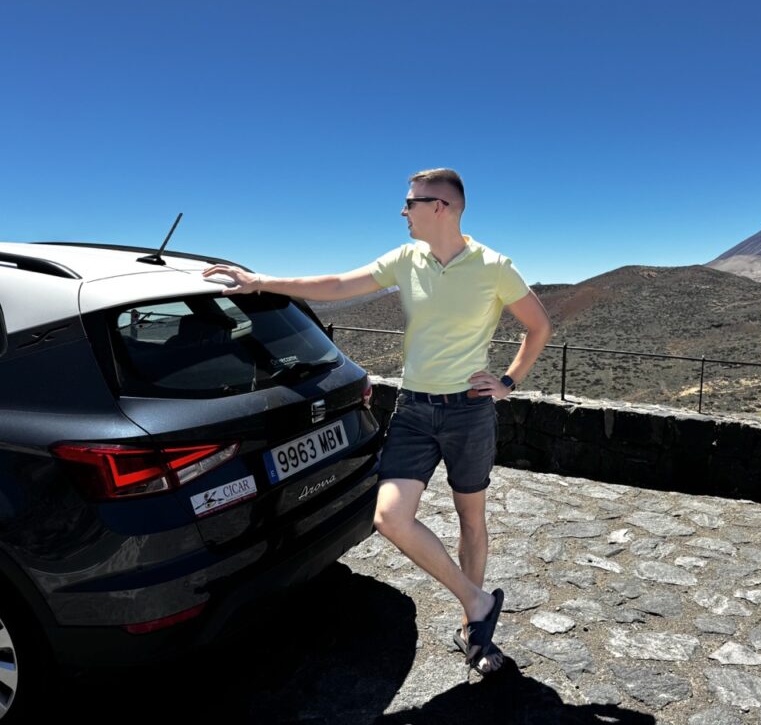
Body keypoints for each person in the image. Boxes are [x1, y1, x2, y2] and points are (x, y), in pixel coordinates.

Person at [203, 168, 552, 675]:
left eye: (411, 203)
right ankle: (479, 604)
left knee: (470, 519)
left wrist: (508, 383)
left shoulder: (494, 266)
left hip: (469, 411)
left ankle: (473, 633)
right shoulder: (405, 259)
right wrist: (261, 282)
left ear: (442, 207)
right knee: (390, 517)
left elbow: (539, 326)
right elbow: (340, 284)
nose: (402, 211)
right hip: (414, 409)